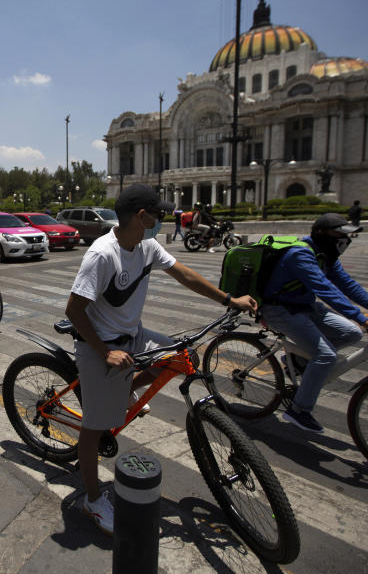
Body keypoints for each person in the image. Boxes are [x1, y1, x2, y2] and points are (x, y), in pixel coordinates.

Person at [64, 184, 256, 535]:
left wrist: (229, 300)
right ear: (142, 216)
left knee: (182, 356)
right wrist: (106, 352)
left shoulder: (147, 246)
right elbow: (74, 311)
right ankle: (92, 500)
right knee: (95, 427)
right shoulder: (102, 255)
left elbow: (185, 275)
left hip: (133, 335)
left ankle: (127, 391)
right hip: (99, 345)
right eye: (159, 214)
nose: (161, 221)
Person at [259, 213, 368, 434]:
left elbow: (347, 284)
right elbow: (325, 289)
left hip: (305, 306)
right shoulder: (300, 254)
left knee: (352, 333)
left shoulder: (325, 255)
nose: (344, 239)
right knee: (326, 355)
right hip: (279, 308)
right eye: (340, 234)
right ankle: (298, 410)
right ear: (322, 234)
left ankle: (298, 358)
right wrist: (362, 317)